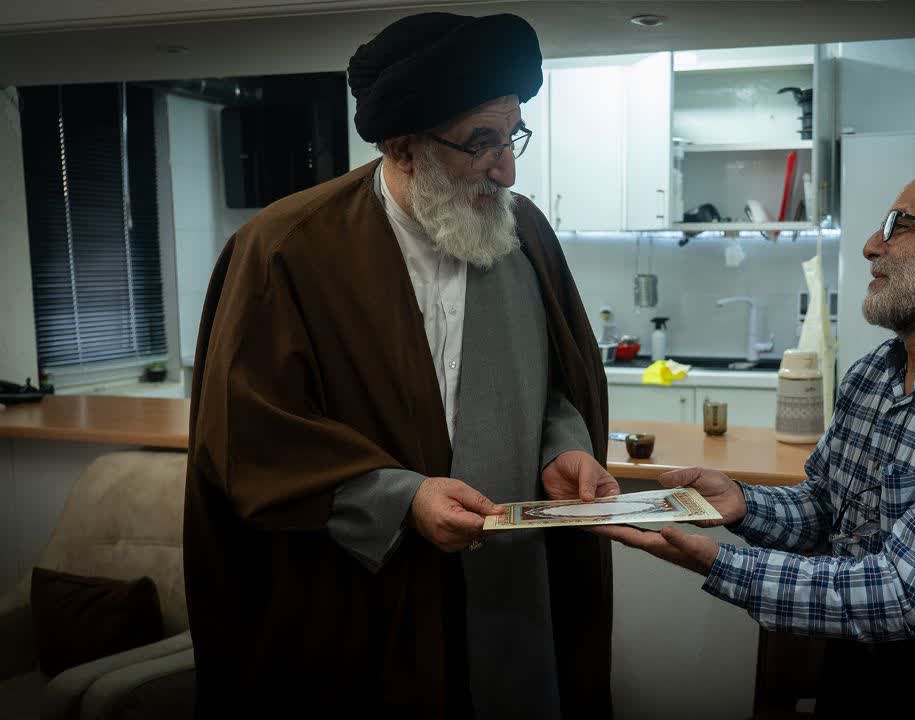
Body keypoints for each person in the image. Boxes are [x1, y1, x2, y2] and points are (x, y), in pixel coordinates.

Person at [184, 12, 617, 717]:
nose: (506, 168)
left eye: (512, 136)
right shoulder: (287, 248)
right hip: (361, 597)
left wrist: (562, 449)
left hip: (512, 589)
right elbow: (248, 434)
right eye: (480, 142)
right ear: (402, 147)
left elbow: (556, 387)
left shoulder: (525, 233)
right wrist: (398, 499)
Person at [600, 169, 915, 717]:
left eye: (899, 226)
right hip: (855, 671)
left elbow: (901, 594)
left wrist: (721, 564)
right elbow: (827, 509)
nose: (872, 245)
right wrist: (743, 502)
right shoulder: (874, 374)